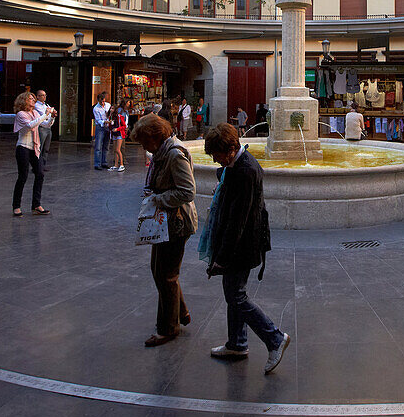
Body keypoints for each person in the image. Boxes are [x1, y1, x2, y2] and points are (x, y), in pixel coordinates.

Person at [200, 123, 290, 374]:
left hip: (242, 245)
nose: (215, 160)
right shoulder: (237, 166)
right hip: (241, 244)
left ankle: (274, 339)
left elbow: (237, 221)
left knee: (236, 296)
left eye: (217, 155)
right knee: (234, 293)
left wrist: (222, 258)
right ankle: (237, 344)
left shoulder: (245, 171)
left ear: (230, 149)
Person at [132, 113, 198, 348]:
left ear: (155, 137)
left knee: (166, 274)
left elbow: (187, 191)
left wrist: (158, 199)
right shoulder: (163, 152)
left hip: (177, 223)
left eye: (144, 141)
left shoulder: (174, 155)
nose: (143, 146)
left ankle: (168, 328)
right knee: (162, 271)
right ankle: (180, 313)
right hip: (166, 223)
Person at [12, 91, 53, 217]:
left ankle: (36, 204)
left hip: (34, 147)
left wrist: (51, 116)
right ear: (24, 100)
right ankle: (16, 206)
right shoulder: (21, 114)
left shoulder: (35, 113)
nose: (33, 100)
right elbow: (30, 125)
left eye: (33, 99)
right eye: (30, 98)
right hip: (23, 147)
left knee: (40, 174)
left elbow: (45, 124)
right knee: (23, 176)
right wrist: (45, 115)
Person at [34, 90, 55, 169]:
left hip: (48, 127)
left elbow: (49, 115)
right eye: (42, 95)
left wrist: (50, 116)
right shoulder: (36, 106)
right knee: (40, 147)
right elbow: (43, 117)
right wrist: (48, 114)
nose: (44, 97)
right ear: (38, 96)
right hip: (42, 128)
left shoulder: (46, 105)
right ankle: (37, 166)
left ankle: (43, 165)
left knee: (46, 148)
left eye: (45, 95)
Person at [92, 91, 112, 170]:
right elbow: (98, 120)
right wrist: (105, 122)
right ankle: (97, 163)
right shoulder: (96, 108)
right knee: (98, 146)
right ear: (98, 100)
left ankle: (104, 162)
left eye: (104, 101)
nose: (103, 103)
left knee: (106, 145)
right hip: (100, 127)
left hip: (107, 126)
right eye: (101, 101)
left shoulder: (108, 105)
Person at [109, 100, 128, 172]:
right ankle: (116, 164)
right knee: (115, 150)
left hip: (119, 134)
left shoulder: (120, 117)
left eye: (113, 108)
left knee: (118, 149)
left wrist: (117, 129)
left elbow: (124, 126)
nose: (111, 110)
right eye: (111, 108)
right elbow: (110, 126)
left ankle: (122, 164)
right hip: (114, 134)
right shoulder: (111, 117)